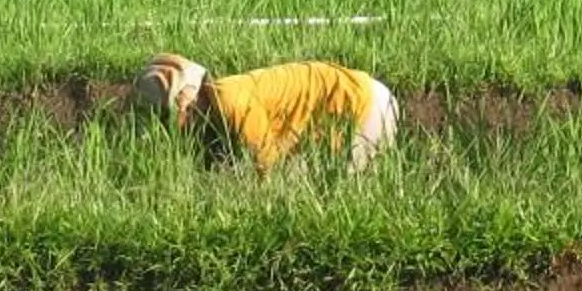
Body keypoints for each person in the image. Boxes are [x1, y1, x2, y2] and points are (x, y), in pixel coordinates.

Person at [128, 54, 399, 174]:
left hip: (363, 106)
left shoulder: (230, 101)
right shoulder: (217, 107)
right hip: (359, 98)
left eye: (167, 119)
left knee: (325, 192)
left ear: (184, 104)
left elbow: (264, 167)